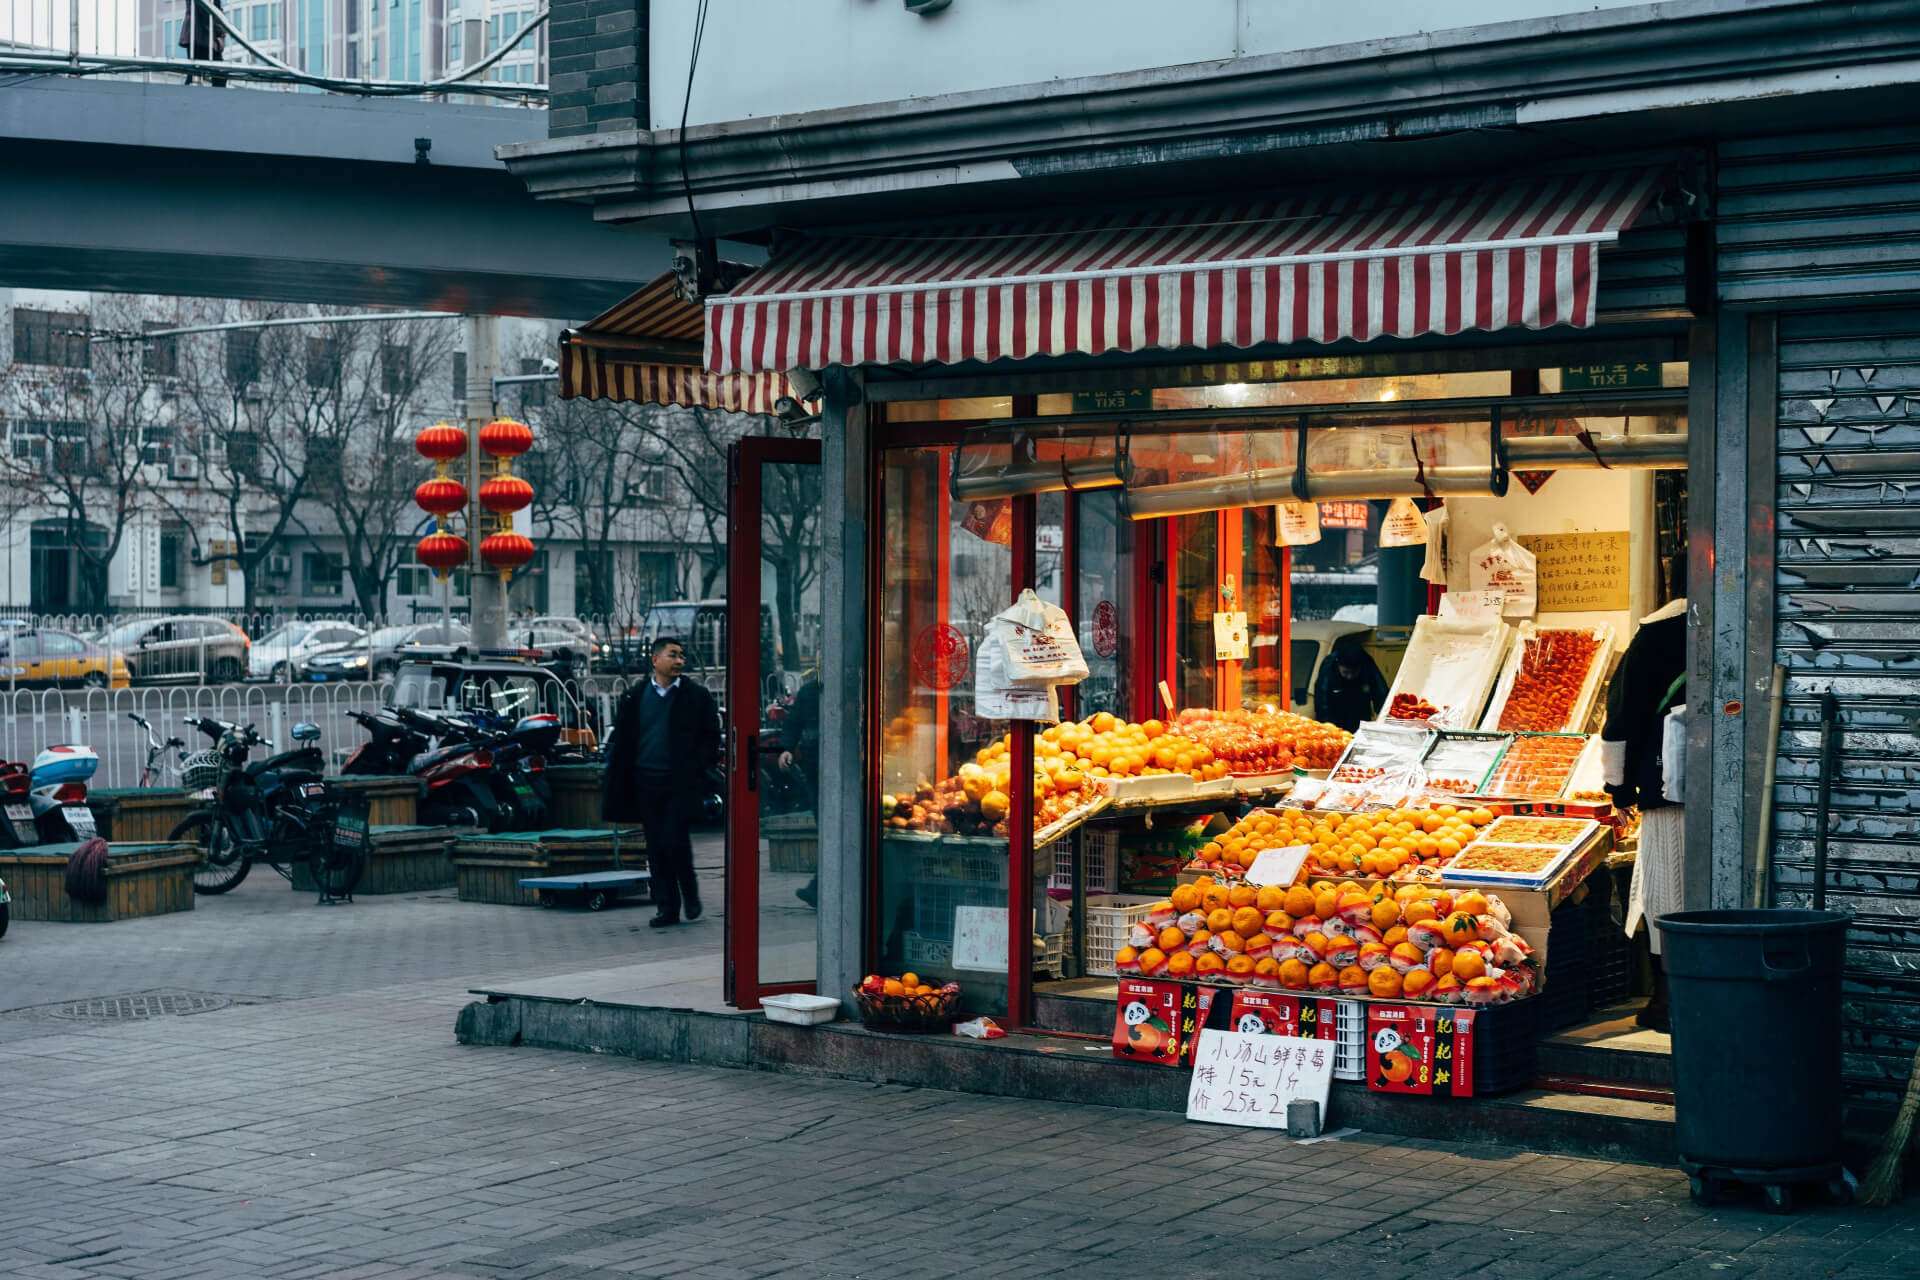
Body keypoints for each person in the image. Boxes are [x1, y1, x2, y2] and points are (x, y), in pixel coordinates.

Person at [1601, 571, 1688, 1033]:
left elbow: (1623, 714)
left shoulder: (1657, 632)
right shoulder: (1739, 620)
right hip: (1727, 787)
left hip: (1665, 785)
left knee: (1665, 893)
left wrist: (1617, 787)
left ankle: (1668, 1000)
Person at [602, 636, 720, 928]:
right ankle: (667, 908)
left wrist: (698, 766)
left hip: (680, 782)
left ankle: (689, 896)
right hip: (645, 781)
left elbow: (711, 737)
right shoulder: (636, 696)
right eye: (673, 655)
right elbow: (624, 740)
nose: (679, 661)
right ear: (655, 660)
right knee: (655, 846)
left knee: (675, 841)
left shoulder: (697, 696)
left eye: (681, 656)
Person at [1312, 633, 1388, 732]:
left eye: (1353, 672)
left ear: (1360, 667)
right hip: (1335, 718)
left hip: (1360, 715)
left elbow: (1382, 695)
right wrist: (1329, 730)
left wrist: (1384, 721)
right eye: (1345, 672)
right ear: (1338, 665)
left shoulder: (1368, 666)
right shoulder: (1328, 669)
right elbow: (1322, 704)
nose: (1350, 676)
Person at [178, 0, 228, 86]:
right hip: (201, 37)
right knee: (219, 72)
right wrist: (221, 29)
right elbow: (206, 11)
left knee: (195, 71)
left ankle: (185, 95)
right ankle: (217, 98)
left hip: (199, 36)